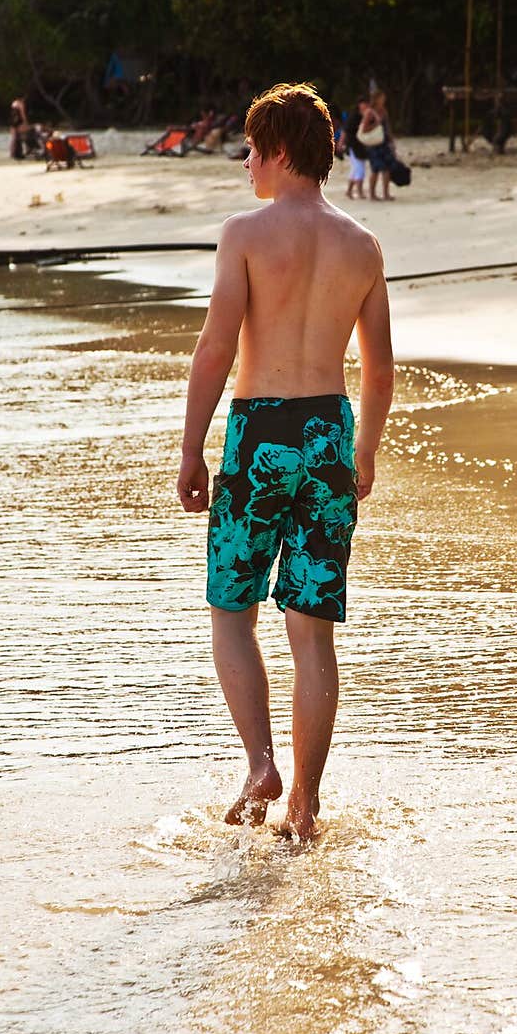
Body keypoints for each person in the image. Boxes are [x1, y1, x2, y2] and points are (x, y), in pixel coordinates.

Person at [177, 82, 394, 842]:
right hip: (330, 434)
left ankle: (261, 764)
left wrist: (190, 446)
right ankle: (304, 803)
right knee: (312, 632)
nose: (244, 163)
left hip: (259, 432)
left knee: (232, 611)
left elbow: (216, 348)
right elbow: (380, 368)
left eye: (249, 149)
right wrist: (363, 449)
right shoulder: (362, 245)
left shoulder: (244, 234)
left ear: (275, 151)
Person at [360, 90, 395, 200]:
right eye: (382, 98)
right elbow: (364, 129)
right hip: (374, 144)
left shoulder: (383, 111)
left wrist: (391, 140)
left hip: (383, 143)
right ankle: (372, 194)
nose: (383, 100)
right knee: (375, 169)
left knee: (386, 169)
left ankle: (386, 193)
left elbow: (388, 127)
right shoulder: (370, 112)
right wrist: (376, 124)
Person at [338, 96, 369, 199]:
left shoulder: (366, 116)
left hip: (362, 145)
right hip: (352, 145)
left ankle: (349, 191)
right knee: (359, 169)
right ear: (359, 105)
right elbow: (345, 130)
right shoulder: (354, 116)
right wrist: (340, 144)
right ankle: (359, 192)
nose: (365, 105)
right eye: (363, 103)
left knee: (356, 169)